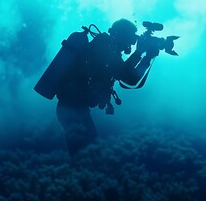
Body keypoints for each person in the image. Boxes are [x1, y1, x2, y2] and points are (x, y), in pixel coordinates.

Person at [55, 19, 158, 156]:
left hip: (75, 107)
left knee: (85, 151)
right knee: (85, 152)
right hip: (71, 108)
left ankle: (77, 174)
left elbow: (130, 78)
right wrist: (139, 53)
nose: (131, 43)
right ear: (120, 36)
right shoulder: (103, 46)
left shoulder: (109, 49)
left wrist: (146, 58)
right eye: (130, 38)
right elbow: (124, 75)